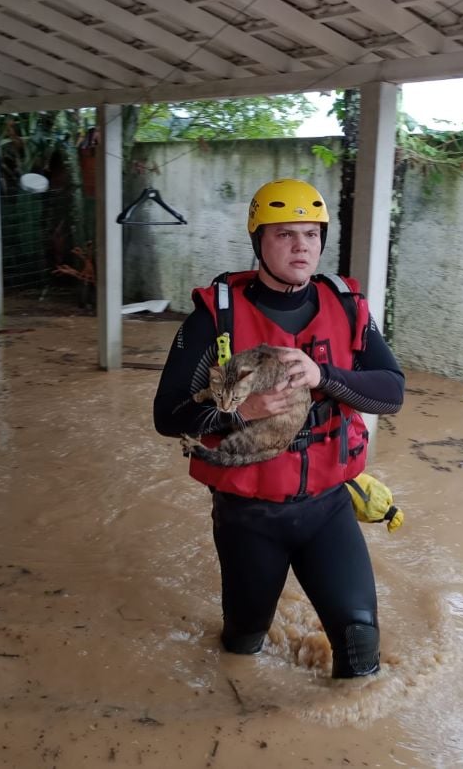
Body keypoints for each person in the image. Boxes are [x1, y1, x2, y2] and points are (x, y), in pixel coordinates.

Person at [153, 178, 405, 678]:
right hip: (248, 516)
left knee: (360, 651)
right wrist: (243, 412)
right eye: (285, 234)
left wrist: (325, 376)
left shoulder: (348, 305)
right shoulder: (214, 317)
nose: (301, 246)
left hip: (329, 507)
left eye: (311, 235)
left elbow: (391, 392)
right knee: (243, 646)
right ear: (259, 242)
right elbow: (167, 416)